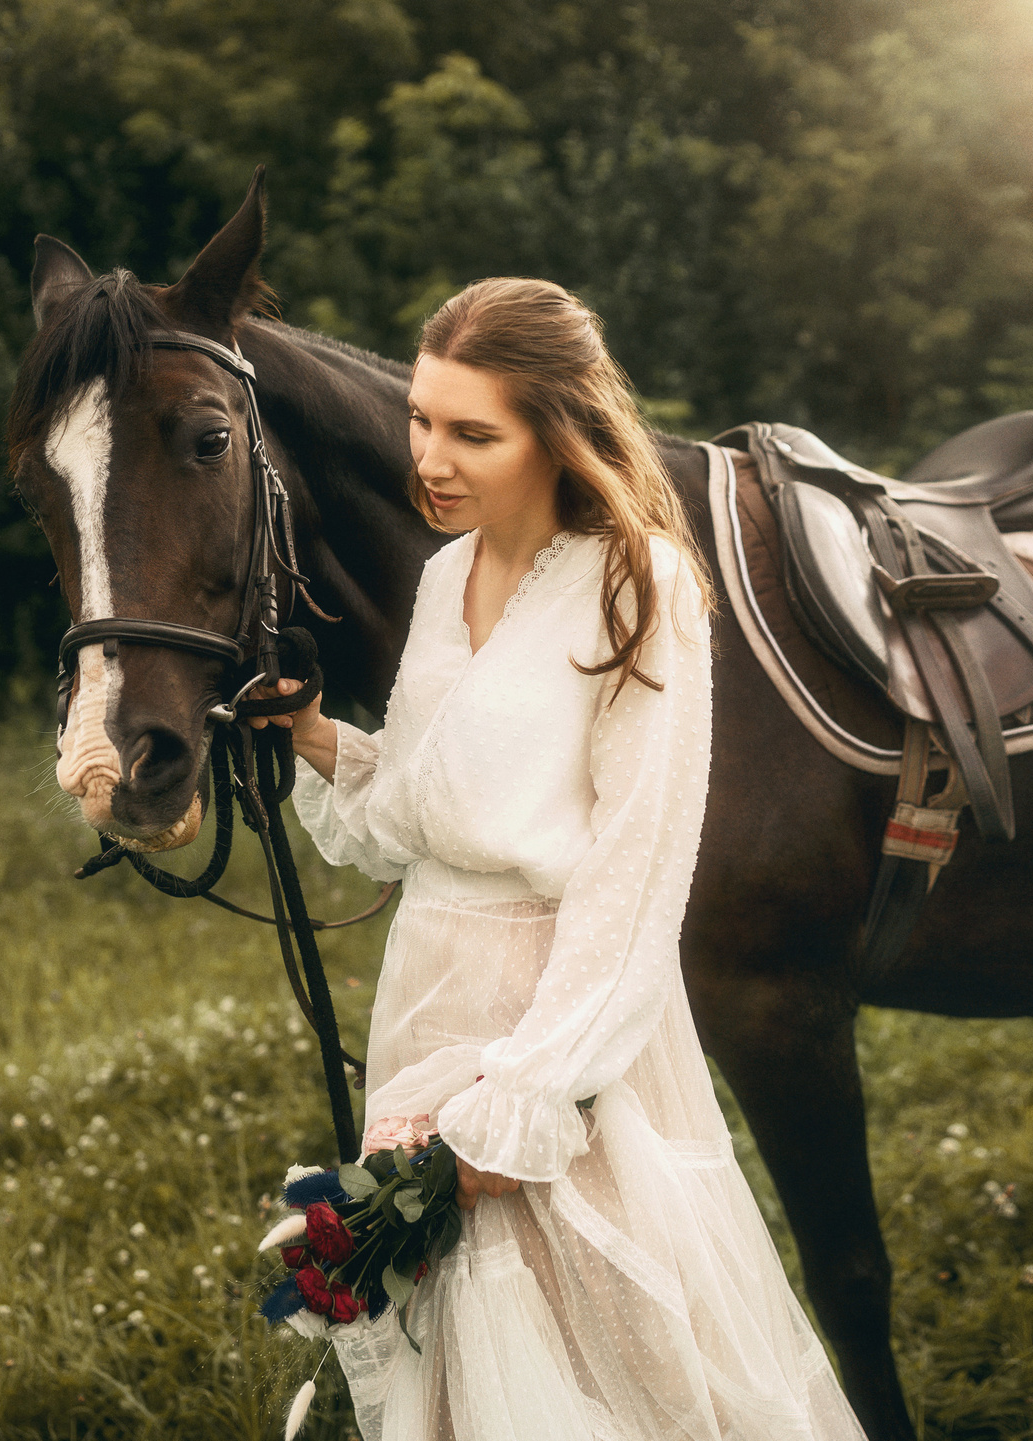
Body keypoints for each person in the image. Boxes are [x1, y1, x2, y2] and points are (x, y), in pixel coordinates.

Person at [253, 278, 866, 1440]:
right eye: (422, 420)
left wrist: (531, 1091)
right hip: (425, 988)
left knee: (596, 1340)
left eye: (472, 433)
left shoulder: (641, 584)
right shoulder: (446, 576)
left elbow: (636, 865)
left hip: (551, 1009)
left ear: (558, 432)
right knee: (458, 1345)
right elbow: (419, 819)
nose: (429, 457)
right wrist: (315, 737)